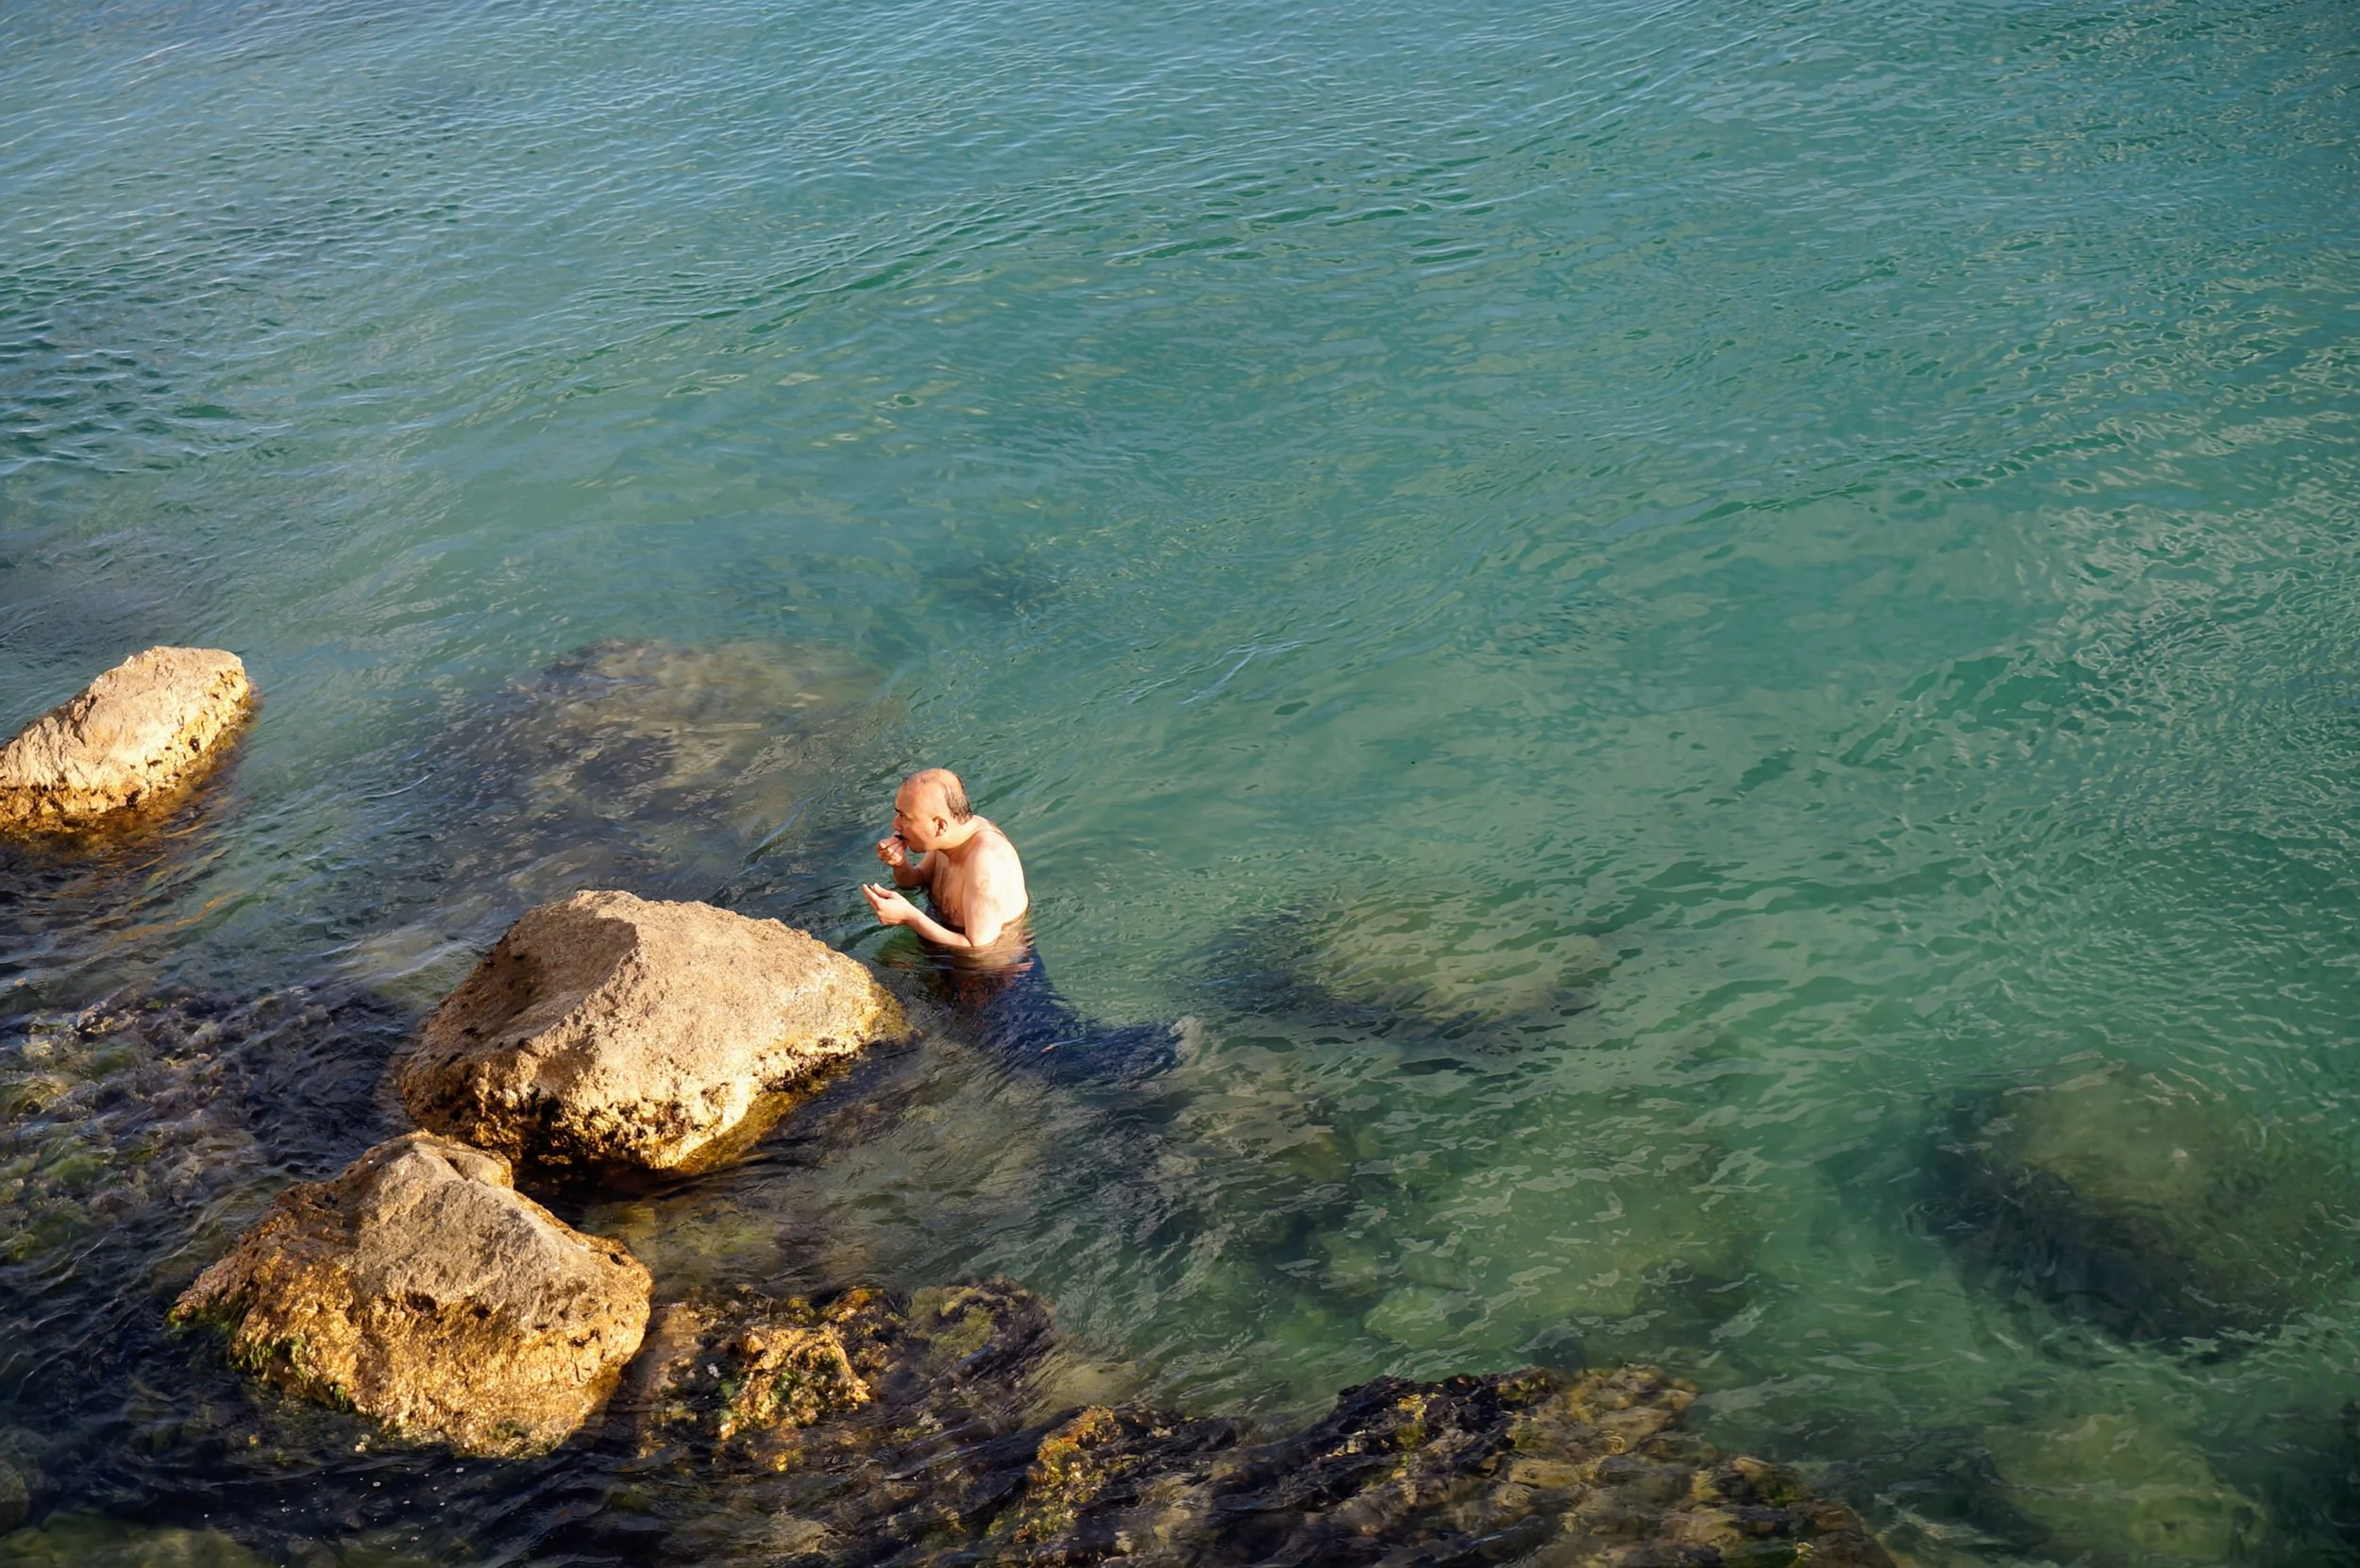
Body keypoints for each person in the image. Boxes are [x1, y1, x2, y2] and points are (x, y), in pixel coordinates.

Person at [861, 767, 1183, 1084]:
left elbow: (980, 949)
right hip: (955, 967)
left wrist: (910, 917)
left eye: (905, 817)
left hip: (1003, 982)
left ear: (940, 824)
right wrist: (900, 864)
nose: (896, 824)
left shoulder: (985, 861)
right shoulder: (947, 842)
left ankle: (1165, 1054)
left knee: (1055, 1063)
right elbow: (915, 881)